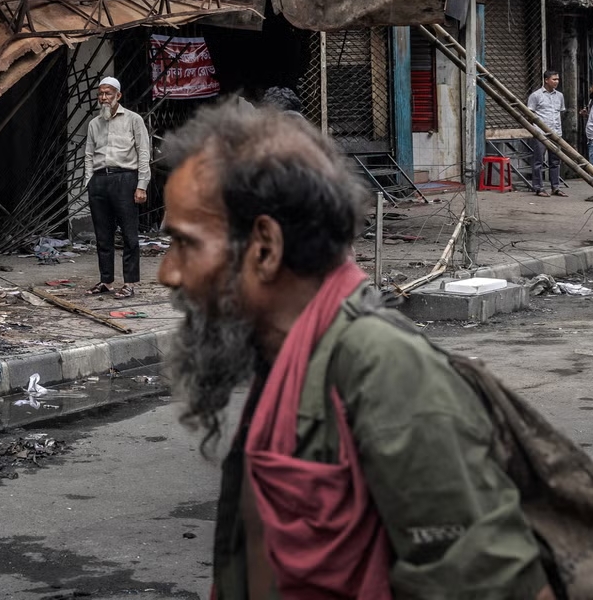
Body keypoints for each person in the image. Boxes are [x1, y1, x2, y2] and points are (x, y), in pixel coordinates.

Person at [157, 101, 554, 600]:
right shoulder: (283, 355)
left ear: (265, 246)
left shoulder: (384, 368)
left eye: (184, 244)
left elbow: (499, 586)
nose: (167, 272)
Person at [83, 75, 151, 299]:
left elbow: (143, 152)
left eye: (108, 93)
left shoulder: (133, 119)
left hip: (125, 179)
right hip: (99, 181)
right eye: (100, 94)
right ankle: (106, 280)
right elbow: (89, 155)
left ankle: (130, 282)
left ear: (118, 96)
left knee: (129, 235)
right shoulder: (94, 123)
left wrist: (142, 184)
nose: (103, 98)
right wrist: (89, 181)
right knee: (103, 235)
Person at [528, 69, 567, 197]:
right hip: (540, 134)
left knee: (555, 162)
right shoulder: (536, 96)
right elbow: (530, 114)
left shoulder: (559, 96)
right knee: (538, 162)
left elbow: (559, 113)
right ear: (546, 80)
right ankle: (538, 188)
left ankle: (555, 187)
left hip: (556, 133)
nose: (556, 81)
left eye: (557, 79)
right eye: (554, 79)